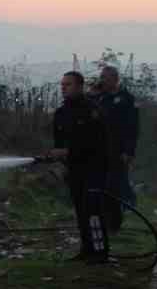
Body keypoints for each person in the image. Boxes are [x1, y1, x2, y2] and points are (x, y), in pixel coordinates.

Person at [50, 71, 113, 262]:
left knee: (93, 210)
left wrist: (69, 151)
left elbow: (98, 142)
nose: (63, 88)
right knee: (80, 210)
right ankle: (87, 249)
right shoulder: (61, 113)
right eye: (62, 85)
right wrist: (60, 157)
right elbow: (59, 142)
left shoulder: (92, 111)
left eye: (67, 84)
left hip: (94, 168)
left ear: (79, 86)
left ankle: (100, 252)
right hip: (74, 170)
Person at [94, 65, 139, 232]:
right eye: (101, 77)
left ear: (115, 79)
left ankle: (114, 224)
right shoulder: (100, 98)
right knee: (100, 187)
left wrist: (129, 151)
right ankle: (101, 221)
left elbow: (132, 128)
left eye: (105, 78)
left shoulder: (127, 99)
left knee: (114, 187)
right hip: (99, 151)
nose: (102, 80)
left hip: (118, 151)